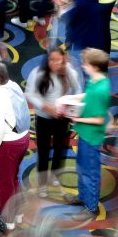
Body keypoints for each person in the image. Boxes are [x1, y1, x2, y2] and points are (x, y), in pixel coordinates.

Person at [24, 49, 82, 196]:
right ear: (47, 60)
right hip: (43, 119)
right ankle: (42, 184)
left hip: (62, 119)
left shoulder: (69, 72)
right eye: (52, 60)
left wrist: (70, 106)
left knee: (60, 148)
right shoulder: (38, 73)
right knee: (43, 151)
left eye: (59, 61)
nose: (56, 64)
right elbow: (30, 93)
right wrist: (46, 107)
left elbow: (78, 89)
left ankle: (55, 175)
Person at [63, 48, 111, 222]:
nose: (82, 66)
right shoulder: (96, 80)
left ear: (94, 66)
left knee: (90, 172)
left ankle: (91, 208)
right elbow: (87, 95)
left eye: (85, 64)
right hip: (85, 135)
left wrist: (77, 119)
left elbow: (99, 120)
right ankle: (82, 197)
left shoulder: (101, 89)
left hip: (92, 137)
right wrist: (74, 99)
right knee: (81, 168)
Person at [0, 62, 31, 229]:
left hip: (8, 144)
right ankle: (17, 213)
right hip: (23, 139)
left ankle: (8, 221)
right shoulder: (13, 85)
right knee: (14, 178)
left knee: (4, 182)